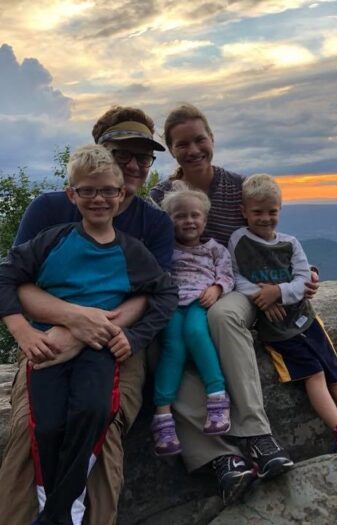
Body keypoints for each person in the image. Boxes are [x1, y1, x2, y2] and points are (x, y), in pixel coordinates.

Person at [0, 106, 174, 525]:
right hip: (46, 338)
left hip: (115, 344)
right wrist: (72, 321)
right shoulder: (49, 210)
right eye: (122, 153)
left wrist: (90, 329)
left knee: (103, 424)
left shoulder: (153, 223)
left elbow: (154, 294)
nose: (134, 165)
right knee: (30, 427)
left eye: (143, 157)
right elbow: (18, 281)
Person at [150, 103, 312, 504]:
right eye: (182, 144)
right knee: (162, 344)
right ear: (171, 149)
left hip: (235, 288)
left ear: (212, 139)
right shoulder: (160, 196)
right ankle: (222, 458)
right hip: (181, 294)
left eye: (199, 139)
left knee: (222, 318)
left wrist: (296, 278)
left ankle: (257, 434)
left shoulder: (237, 186)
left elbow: (270, 238)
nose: (193, 150)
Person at [229, 174, 337, 452]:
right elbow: (236, 277)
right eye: (257, 212)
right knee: (314, 374)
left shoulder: (290, 243)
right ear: (244, 211)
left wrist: (278, 292)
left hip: (306, 319)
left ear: (280, 210)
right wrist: (261, 298)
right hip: (278, 331)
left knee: (335, 371)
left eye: (272, 212)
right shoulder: (238, 240)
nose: (265, 218)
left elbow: (304, 280)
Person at [152, 182, 234, 456]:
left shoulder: (215, 249)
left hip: (200, 301)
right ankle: (162, 414)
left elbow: (227, 275)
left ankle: (217, 395)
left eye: (195, 215)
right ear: (170, 221)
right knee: (173, 346)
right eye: (180, 216)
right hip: (173, 304)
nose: (189, 221)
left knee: (195, 332)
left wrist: (217, 288)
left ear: (205, 220)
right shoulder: (167, 250)